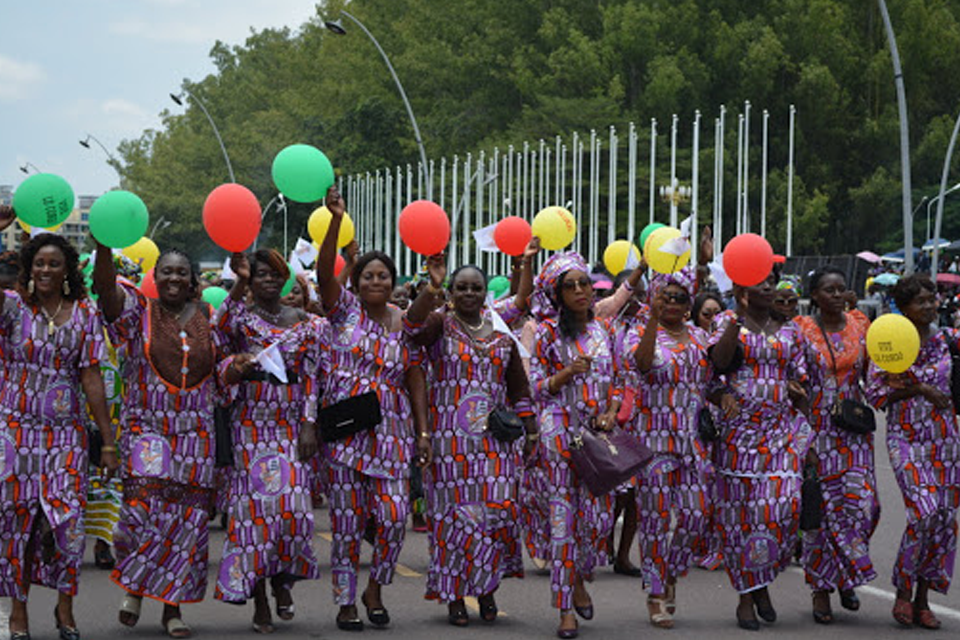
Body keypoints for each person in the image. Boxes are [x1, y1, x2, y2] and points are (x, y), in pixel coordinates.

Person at [94, 243, 226, 639]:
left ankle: (172, 609)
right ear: (155, 276)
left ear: (192, 281)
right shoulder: (138, 312)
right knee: (140, 511)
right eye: (166, 271)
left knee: (187, 522)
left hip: (196, 434)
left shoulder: (209, 317)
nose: (173, 278)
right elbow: (106, 293)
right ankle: (135, 586)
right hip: (146, 429)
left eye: (181, 272)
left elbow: (222, 370)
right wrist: (103, 245)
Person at [314, 186, 428, 631]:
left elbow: (415, 377)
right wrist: (335, 221)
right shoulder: (343, 311)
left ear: (393, 282)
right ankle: (346, 600)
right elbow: (324, 272)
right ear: (356, 282)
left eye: (383, 276)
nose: (375, 282)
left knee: (395, 518)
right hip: (346, 432)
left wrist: (422, 432)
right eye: (367, 276)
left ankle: (375, 588)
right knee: (346, 522)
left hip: (392, 435)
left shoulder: (405, 322)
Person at [405, 254, 538, 626]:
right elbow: (412, 327)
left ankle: (486, 586)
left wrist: (531, 430)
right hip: (449, 442)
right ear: (451, 292)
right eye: (460, 287)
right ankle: (455, 595)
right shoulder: (440, 324)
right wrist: (432, 286)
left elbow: (518, 387)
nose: (468, 293)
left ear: (485, 293)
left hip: (494, 442)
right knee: (455, 519)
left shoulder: (501, 333)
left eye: (475, 287)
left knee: (499, 511)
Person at [0, 225, 119, 640]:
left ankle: (64, 609)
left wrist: (107, 442)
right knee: (16, 522)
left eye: (54, 263)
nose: (46, 270)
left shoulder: (85, 313)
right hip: (14, 433)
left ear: (67, 269)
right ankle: (18, 613)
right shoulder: (12, 307)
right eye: (39, 263)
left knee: (68, 521)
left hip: (66, 435)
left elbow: (92, 378)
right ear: (28, 268)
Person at [215, 248, 321, 633]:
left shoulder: (306, 323)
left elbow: (312, 375)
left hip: (290, 424)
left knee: (293, 511)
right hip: (249, 423)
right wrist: (239, 280)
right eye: (261, 274)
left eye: (276, 274)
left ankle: (283, 580)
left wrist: (309, 423)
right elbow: (218, 329)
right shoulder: (240, 318)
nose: (270, 280)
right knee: (254, 516)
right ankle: (259, 597)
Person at [709, 267, 812, 631]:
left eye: (771, 280)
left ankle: (761, 577)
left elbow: (800, 372)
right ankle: (749, 595)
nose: (768, 286)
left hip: (780, 433)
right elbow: (718, 364)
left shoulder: (790, 329)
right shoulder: (726, 321)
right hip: (738, 434)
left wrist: (797, 387)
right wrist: (737, 318)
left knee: (783, 508)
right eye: (760, 281)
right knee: (743, 519)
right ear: (741, 287)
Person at [524, 252, 621, 639]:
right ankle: (565, 608)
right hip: (559, 434)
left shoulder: (604, 330)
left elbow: (619, 381)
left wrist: (611, 411)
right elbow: (534, 388)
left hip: (597, 436)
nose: (581, 290)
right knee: (563, 522)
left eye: (584, 283)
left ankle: (579, 576)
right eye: (571, 285)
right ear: (557, 294)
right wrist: (566, 373)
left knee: (597, 521)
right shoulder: (546, 332)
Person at [866, 274, 960, 630]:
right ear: (904, 307)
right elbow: (875, 394)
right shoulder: (889, 341)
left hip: (945, 440)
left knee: (943, 519)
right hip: (905, 438)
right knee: (924, 512)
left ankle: (923, 599)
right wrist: (918, 388)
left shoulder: (946, 338)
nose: (930, 306)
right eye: (921, 301)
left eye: (932, 299)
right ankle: (903, 589)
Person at [626, 269, 714, 629]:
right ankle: (656, 593)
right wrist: (653, 317)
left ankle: (672, 572)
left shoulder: (699, 336)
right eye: (667, 296)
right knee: (655, 520)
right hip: (654, 442)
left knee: (697, 515)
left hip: (692, 442)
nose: (674, 303)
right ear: (654, 298)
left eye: (680, 297)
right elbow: (642, 365)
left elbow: (712, 380)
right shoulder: (638, 331)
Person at [795, 267, 879, 624]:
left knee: (862, 507)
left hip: (853, 429)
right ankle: (821, 589)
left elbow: (874, 372)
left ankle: (845, 572)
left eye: (841, 289)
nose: (837, 295)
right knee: (821, 513)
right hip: (817, 429)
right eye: (829, 290)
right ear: (815, 295)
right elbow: (794, 381)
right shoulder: (802, 329)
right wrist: (803, 438)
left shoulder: (860, 324)